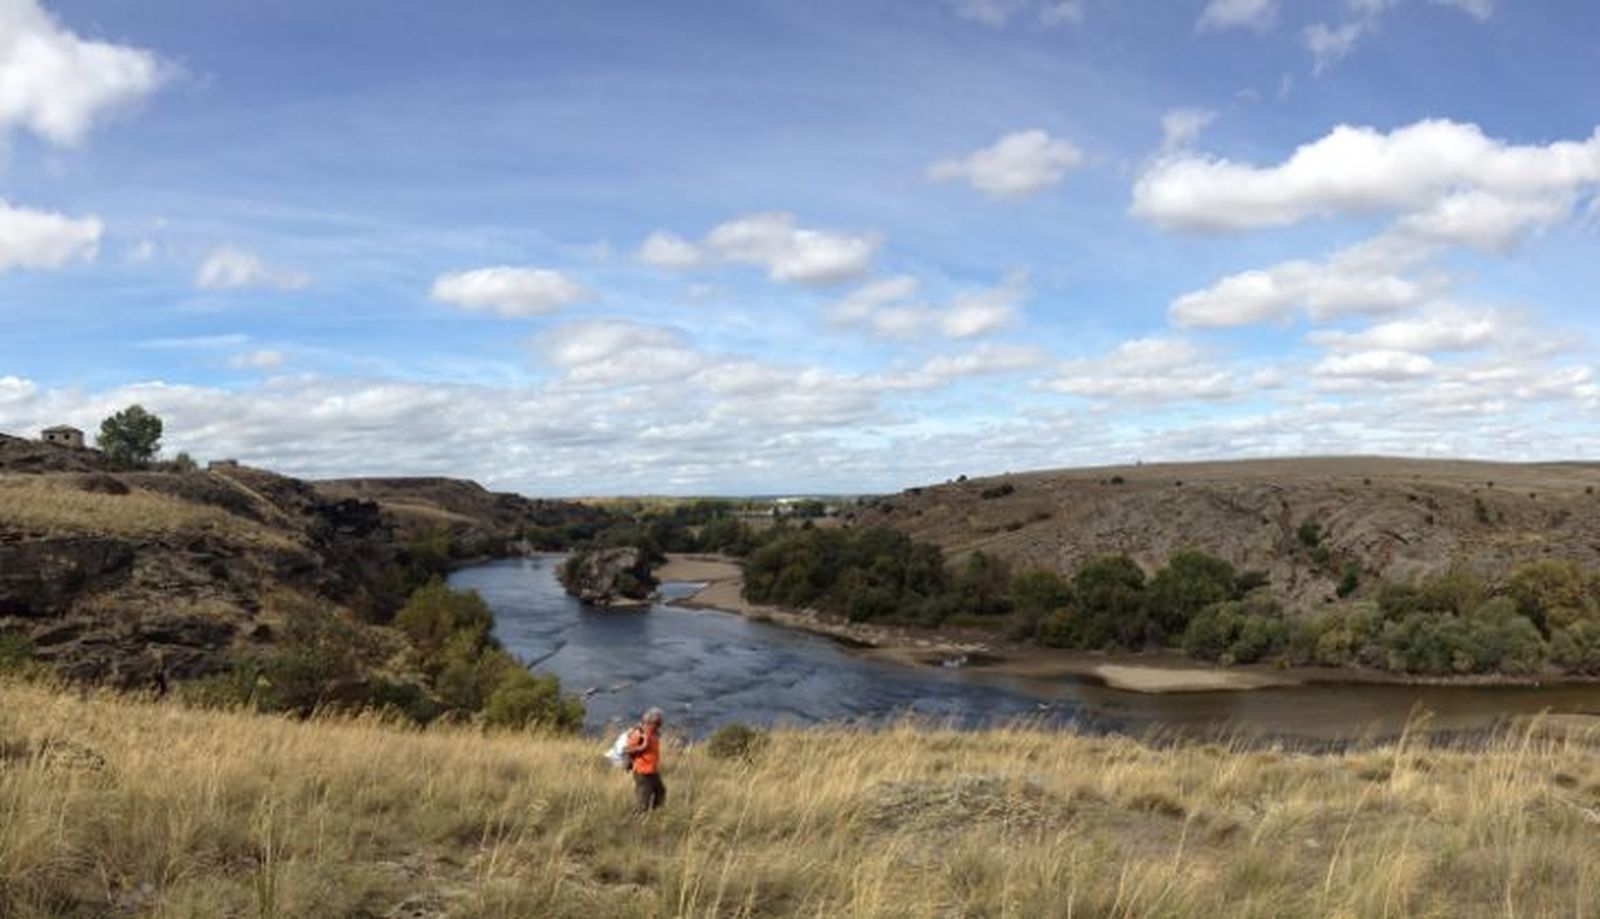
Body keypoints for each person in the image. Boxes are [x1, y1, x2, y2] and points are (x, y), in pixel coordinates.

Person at [622, 707, 666, 813]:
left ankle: (654, 816)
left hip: (653, 771)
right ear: (652, 722)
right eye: (659, 722)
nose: (661, 724)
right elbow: (627, 749)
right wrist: (642, 747)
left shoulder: (654, 733)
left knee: (661, 792)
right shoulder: (639, 734)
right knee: (643, 802)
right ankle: (637, 824)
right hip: (642, 772)